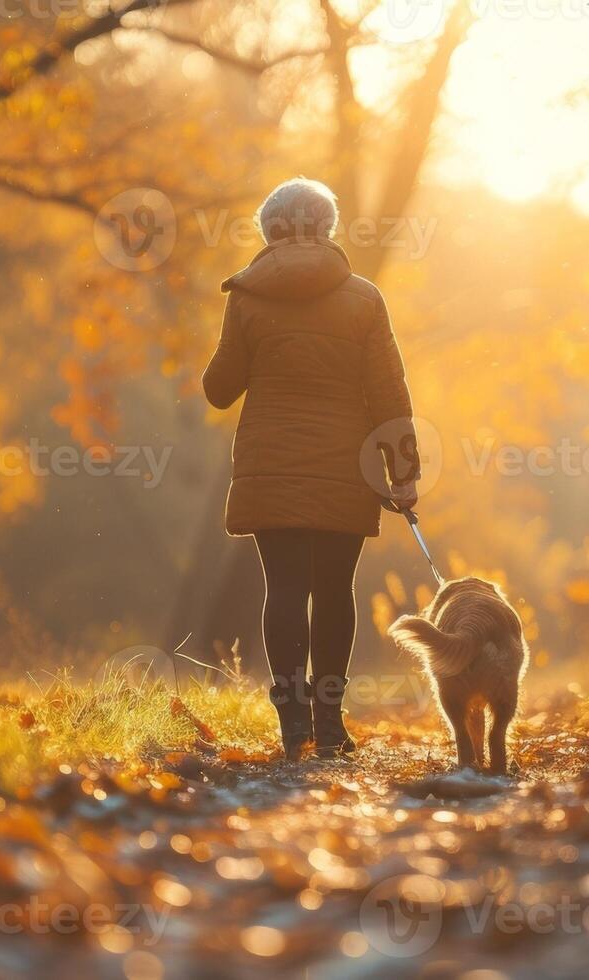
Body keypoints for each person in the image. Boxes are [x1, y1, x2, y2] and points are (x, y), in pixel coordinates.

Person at [201, 177, 420, 761]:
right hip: (345, 465)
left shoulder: (245, 296)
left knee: (285, 587)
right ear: (327, 229)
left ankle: (293, 721)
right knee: (334, 590)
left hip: (270, 464)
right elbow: (389, 392)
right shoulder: (365, 297)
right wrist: (403, 472)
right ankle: (330, 722)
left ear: (270, 232)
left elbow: (220, 390)